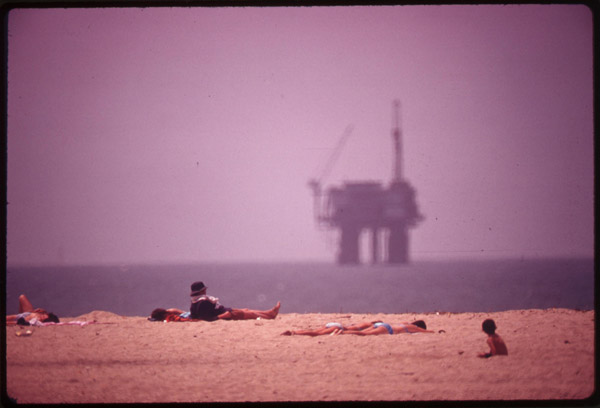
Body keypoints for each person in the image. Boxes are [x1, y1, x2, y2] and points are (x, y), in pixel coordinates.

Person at [189, 281, 281, 322]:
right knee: (252, 315)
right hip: (227, 314)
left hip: (226, 311)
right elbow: (207, 318)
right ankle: (270, 316)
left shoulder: (194, 303)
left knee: (247, 309)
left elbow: (195, 316)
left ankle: (269, 313)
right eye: (203, 290)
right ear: (201, 291)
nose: (205, 291)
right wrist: (222, 316)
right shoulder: (202, 302)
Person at [338, 320, 434, 336]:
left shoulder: (405, 323)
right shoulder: (414, 328)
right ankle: (343, 333)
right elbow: (427, 331)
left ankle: (342, 330)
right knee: (364, 334)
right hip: (387, 329)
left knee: (363, 331)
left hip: (383, 324)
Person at [281, 321, 377, 336]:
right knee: (317, 334)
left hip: (333, 323)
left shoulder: (360, 325)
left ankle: (294, 332)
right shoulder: (358, 328)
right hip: (336, 326)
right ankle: (295, 333)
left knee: (314, 331)